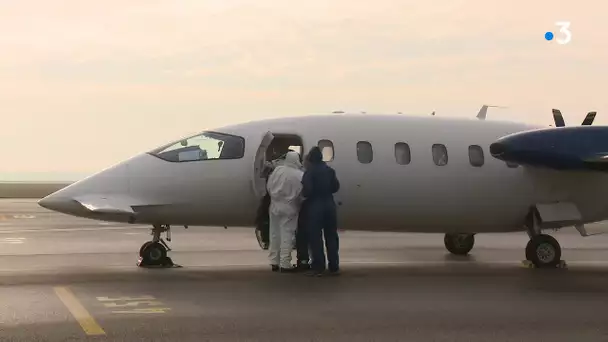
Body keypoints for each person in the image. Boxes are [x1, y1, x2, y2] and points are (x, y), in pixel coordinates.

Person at [302, 146, 341, 276]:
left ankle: (318, 267)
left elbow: (307, 190)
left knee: (315, 238)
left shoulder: (310, 172)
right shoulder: (330, 171)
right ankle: (334, 266)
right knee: (331, 236)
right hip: (329, 205)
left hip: (315, 206)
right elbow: (336, 187)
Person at [266, 151, 305, 272]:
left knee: (274, 234)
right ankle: (285, 263)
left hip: (274, 206)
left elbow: (268, 186)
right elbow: (301, 193)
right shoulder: (299, 175)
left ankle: (274, 261)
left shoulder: (277, 171)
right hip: (289, 208)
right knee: (287, 235)